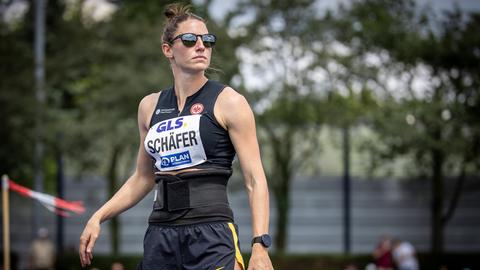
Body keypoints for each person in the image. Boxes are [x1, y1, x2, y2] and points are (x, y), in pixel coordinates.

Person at [79, 3, 273, 270]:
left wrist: (260, 245)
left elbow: (254, 179)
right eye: (190, 39)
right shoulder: (149, 106)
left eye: (208, 40)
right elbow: (143, 177)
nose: (201, 46)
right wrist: (98, 216)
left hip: (211, 235)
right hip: (161, 235)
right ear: (167, 49)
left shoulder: (230, 102)